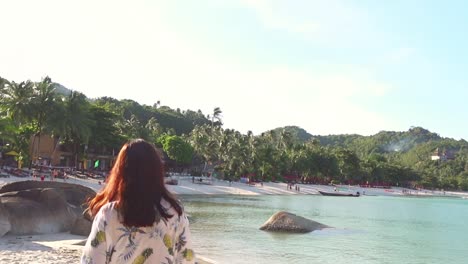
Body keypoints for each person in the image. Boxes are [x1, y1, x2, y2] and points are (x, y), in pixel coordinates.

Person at [81, 139, 195, 264]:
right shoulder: (174, 212)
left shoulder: (109, 213)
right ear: (156, 171)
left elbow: (91, 260)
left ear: (121, 170)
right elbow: (187, 258)